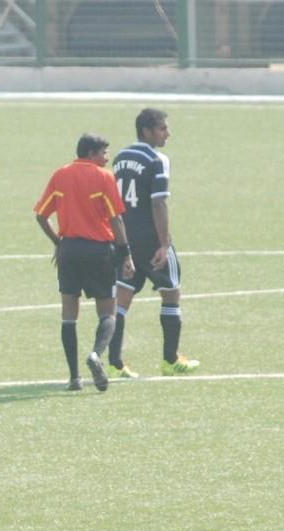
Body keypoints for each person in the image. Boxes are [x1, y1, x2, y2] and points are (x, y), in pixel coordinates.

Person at [35, 133, 135, 391]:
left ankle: (74, 378)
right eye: (104, 153)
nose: (107, 158)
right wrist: (126, 255)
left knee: (69, 315)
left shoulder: (60, 175)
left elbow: (41, 216)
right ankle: (96, 355)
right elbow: (116, 220)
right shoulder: (104, 177)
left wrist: (60, 244)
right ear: (91, 153)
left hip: (68, 250)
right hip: (99, 251)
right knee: (107, 312)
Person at [108, 108, 200, 377]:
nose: (167, 133)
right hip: (150, 238)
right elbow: (158, 202)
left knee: (122, 298)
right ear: (146, 131)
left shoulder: (120, 157)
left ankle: (115, 363)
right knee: (171, 292)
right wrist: (163, 243)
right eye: (162, 128)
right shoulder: (157, 159)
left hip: (125, 237)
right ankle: (170, 360)